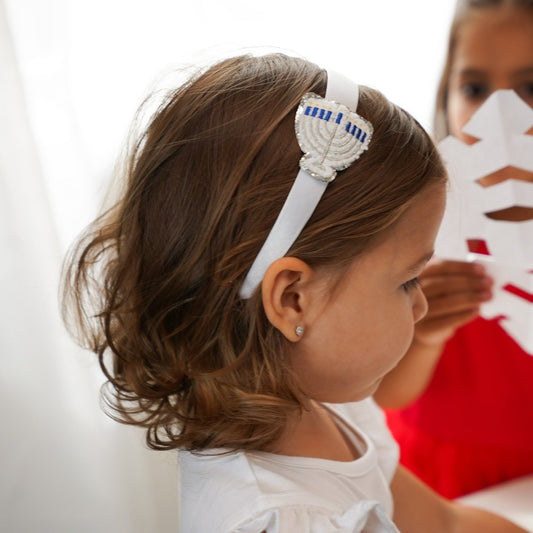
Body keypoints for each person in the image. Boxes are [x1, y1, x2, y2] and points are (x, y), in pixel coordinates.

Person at [62, 53, 528, 532]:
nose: (422, 303)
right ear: (291, 300)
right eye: (408, 280)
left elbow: (445, 524)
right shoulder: (280, 520)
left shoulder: (321, 408)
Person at [375, 0, 533, 499]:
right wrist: (424, 335)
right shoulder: (415, 223)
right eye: (475, 88)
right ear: (446, 95)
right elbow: (385, 392)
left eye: (531, 87)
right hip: (438, 478)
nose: (499, 114)